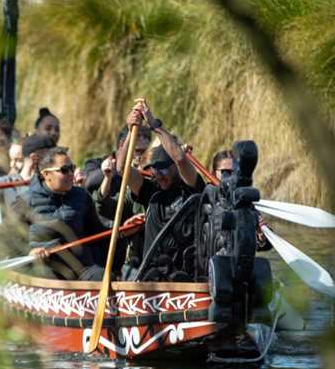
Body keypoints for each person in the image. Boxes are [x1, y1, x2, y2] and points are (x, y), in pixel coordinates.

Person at [119, 100, 205, 257]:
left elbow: (179, 158)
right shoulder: (151, 191)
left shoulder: (191, 187)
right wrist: (132, 132)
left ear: (176, 168)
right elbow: (122, 169)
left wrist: (153, 123)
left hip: (186, 275)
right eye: (155, 168)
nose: (159, 174)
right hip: (152, 273)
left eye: (164, 168)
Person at [28, 147, 106, 281]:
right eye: (64, 170)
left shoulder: (81, 195)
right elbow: (9, 242)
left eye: (72, 168)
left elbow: (97, 233)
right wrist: (30, 252)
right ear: (46, 174)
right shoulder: (25, 200)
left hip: (81, 267)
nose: (71, 173)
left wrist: (122, 231)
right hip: (45, 268)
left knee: (103, 276)